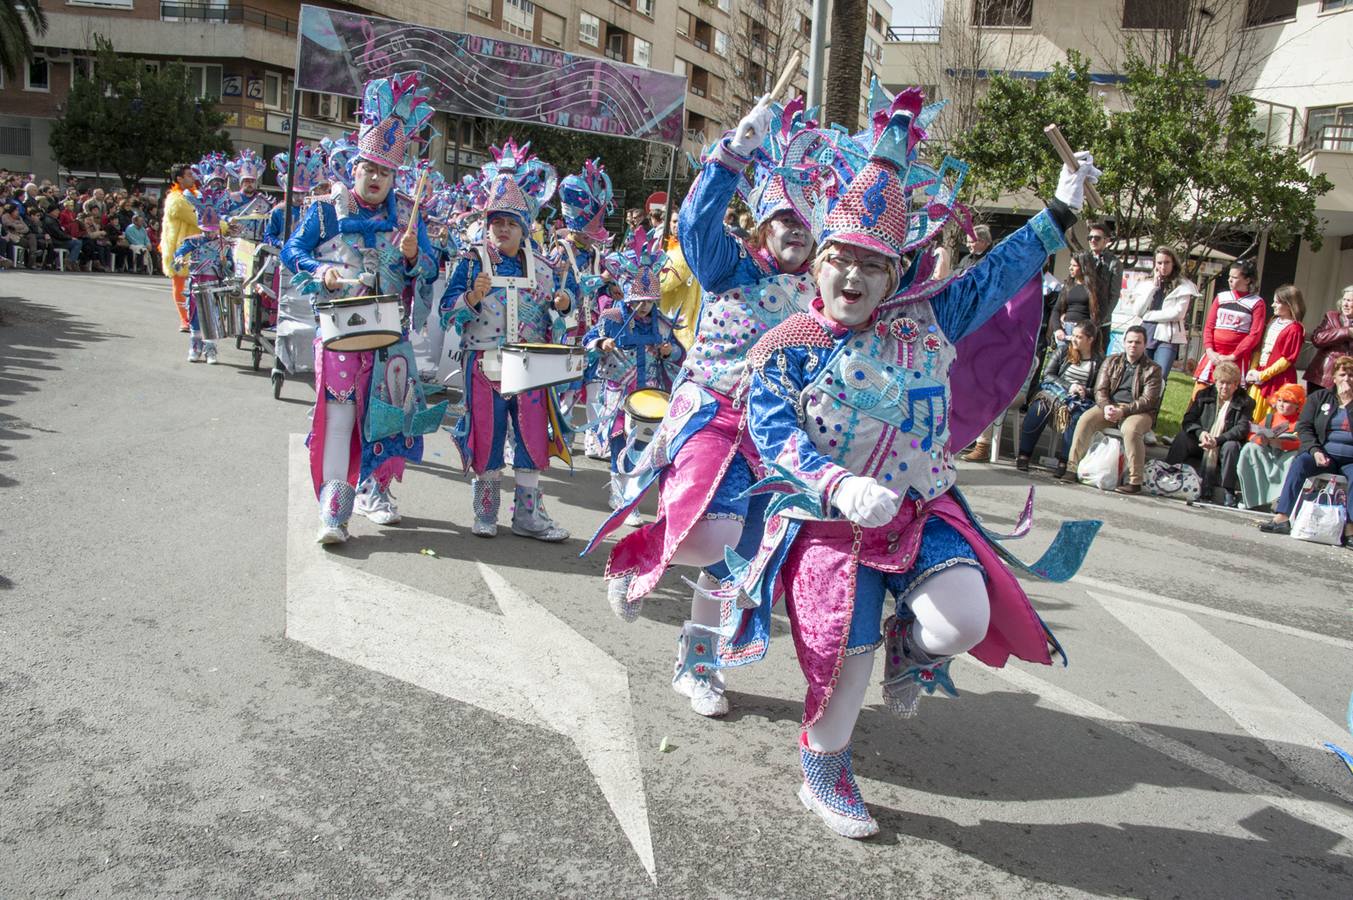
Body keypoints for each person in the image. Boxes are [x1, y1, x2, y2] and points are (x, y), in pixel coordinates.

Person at [710, 90, 1099, 838]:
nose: (853, 277)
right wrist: (837, 484)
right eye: (840, 260)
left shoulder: (926, 318)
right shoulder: (785, 346)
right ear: (817, 266)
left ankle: (909, 648)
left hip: (921, 512)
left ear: (894, 278)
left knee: (960, 622)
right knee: (842, 664)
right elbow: (773, 435)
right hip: (828, 527)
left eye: (872, 265)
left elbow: (996, 273)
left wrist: (1057, 212)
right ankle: (824, 768)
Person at [282, 73, 443, 544]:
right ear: (354, 168)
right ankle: (334, 511)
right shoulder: (326, 210)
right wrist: (321, 271)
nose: (375, 179)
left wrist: (413, 256)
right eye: (369, 169)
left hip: (389, 337)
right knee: (339, 418)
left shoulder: (408, 215)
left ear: (395, 176)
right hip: (340, 332)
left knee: (388, 416)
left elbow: (429, 270)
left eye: (385, 173)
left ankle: (377, 490)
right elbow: (292, 251)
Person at [439, 137, 572, 541]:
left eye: (511, 223)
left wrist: (564, 305)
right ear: (487, 225)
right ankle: (485, 512)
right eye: (497, 221)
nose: (503, 229)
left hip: (530, 366)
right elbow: (446, 312)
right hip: (484, 365)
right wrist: (471, 297)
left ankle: (528, 516)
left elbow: (563, 315)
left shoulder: (544, 268)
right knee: (488, 434)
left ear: (524, 228)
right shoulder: (470, 263)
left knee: (532, 438)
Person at [584, 229, 684, 523]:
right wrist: (601, 344)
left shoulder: (662, 324)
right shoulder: (612, 318)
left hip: (649, 395)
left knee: (642, 445)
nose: (643, 307)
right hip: (618, 393)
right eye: (638, 301)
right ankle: (620, 495)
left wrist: (670, 352)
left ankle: (632, 496)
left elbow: (680, 354)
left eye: (649, 302)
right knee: (619, 441)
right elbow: (587, 343)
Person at [552, 159, 615, 457]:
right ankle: (558, 434)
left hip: (592, 330)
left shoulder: (596, 254)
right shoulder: (560, 251)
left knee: (594, 386)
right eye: (590, 231)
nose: (593, 237)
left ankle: (595, 440)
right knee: (566, 387)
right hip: (567, 330)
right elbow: (555, 290)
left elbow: (602, 291)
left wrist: (610, 289)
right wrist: (597, 281)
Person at [1259, 356, 1353, 545]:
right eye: (1343, 374)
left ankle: (1350, 529)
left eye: (1351, 375)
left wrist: (1349, 402)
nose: (1347, 379)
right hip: (1323, 454)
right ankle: (1282, 517)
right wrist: (1314, 450)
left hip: (1351, 460)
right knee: (1301, 462)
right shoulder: (1319, 398)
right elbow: (1305, 427)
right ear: (1334, 378)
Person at [1065, 325, 1164, 494]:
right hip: (1111, 405)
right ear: (1124, 343)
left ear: (1145, 345)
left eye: (1138, 342)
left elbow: (1148, 400)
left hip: (1139, 412)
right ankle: (1071, 468)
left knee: (1131, 429)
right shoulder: (1111, 361)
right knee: (1086, 419)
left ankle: (1135, 481)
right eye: (1130, 341)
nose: (1133, 345)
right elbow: (1100, 390)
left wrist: (1123, 412)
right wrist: (1106, 407)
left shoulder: (1153, 369)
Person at [1016, 321, 1101, 475]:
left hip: (1079, 401)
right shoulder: (1063, 351)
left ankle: (1065, 462)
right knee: (1039, 408)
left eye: (1079, 337)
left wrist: (1085, 391)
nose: (1073, 339)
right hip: (1055, 393)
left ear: (1090, 339)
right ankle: (1024, 454)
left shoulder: (1099, 361)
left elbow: (1100, 389)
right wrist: (1069, 386)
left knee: (1076, 417)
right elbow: (1048, 375)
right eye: (1073, 335)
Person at [1164, 361, 1255, 504]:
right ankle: (1168, 473)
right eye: (1221, 382)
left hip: (1223, 444)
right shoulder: (1203, 395)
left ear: (1236, 384)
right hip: (1202, 441)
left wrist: (1217, 440)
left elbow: (1241, 428)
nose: (1224, 387)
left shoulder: (1246, 402)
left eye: (1229, 383)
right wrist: (1201, 434)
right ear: (1215, 382)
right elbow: (1188, 420)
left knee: (1232, 446)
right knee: (1182, 437)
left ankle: (1228, 490)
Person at [1109, 245, 1200, 377]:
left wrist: (1149, 315)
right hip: (1146, 333)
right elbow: (1138, 311)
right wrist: (1153, 287)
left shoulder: (1184, 285)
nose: (1163, 267)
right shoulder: (1147, 283)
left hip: (1167, 336)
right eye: (1159, 263)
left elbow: (1177, 313)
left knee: (1159, 376)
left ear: (1173, 263)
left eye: (1167, 262)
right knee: (1140, 375)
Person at [1194, 259, 1265, 391]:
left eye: (1234, 277)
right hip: (1213, 356)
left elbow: (1255, 334)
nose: (1229, 280)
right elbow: (1209, 326)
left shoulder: (1256, 302)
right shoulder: (1221, 297)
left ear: (1247, 280)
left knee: (1229, 393)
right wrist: (1210, 351)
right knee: (1200, 393)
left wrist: (1233, 356)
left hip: (1236, 359)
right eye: (1229, 276)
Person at [1236, 383, 1305, 510]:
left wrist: (1281, 444)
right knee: (1249, 448)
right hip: (1267, 453)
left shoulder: (1301, 422)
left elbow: (1303, 443)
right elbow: (1253, 434)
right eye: (1279, 400)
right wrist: (1259, 440)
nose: (1281, 404)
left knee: (1293, 458)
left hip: (1285, 455)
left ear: (1298, 405)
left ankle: (1279, 499)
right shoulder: (1270, 418)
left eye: (1286, 401)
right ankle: (1252, 498)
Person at [1245, 284, 1306, 421]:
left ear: (1289, 304)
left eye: (1277, 302)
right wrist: (1253, 369)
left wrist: (1263, 375)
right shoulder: (1272, 321)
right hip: (1260, 373)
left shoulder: (1295, 329)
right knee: (1250, 411)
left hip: (1278, 378)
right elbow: (1260, 347)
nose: (1273, 305)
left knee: (1270, 416)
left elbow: (1287, 359)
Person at [160, 163, 201, 332]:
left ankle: (198, 318)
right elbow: (199, 219)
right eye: (189, 175)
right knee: (180, 285)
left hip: (197, 246)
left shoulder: (195, 195)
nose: (193, 178)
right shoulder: (176, 199)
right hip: (181, 249)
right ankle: (185, 319)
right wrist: (224, 226)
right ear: (179, 179)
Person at [1303, 286, 1353, 395]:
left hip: (1348, 380)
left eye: (1349, 301)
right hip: (1323, 377)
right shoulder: (1332, 317)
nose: (1345, 304)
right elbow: (1317, 339)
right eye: (1344, 299)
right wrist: (1346, 332)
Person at [1087, 220, 1122, 328]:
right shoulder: (1082, 259)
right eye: (1090, 238)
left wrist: (1103, 318)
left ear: (1106, 240)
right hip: (1080, 316)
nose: (1093, 240)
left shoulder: (1114, 263)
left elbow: (1114, 295)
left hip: (1100, 321)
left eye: (1097, 238)